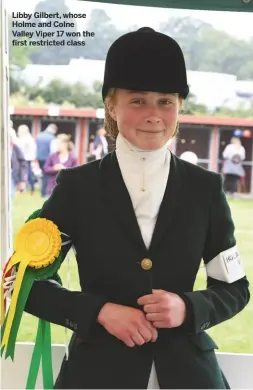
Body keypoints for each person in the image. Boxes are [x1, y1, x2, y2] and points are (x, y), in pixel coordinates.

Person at [21, 28, 249, 389]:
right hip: (97, 374)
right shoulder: (77, 187)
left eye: (166, 101)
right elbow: (23, 283)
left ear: (179, 106)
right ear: (112, 105)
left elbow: (235, 289)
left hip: (188, 374)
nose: (153, 115)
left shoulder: (205, 188)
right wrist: (98, 313)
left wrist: (189, 308)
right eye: (138, 101)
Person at [36, 123, 58, 197]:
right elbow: (53, 151)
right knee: (47, 176)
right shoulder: (52, 138)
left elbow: (36, 147)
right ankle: (45, 192)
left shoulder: (39, 136)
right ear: (54, 130)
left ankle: (42, 192)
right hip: (48, 159)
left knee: (43, 175)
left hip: (39, 158)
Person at [16, 124, 37, 195]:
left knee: (24, 174)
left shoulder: (24, 139)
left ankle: (23, 189)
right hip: (28, 158)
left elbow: (20, 149)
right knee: (29, 174)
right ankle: (32, 189)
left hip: (24, 158)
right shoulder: (30, 138)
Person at [9, 127, 27, 200]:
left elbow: (23, 164)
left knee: (10, 197)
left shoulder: (16, 148)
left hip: (12, 176)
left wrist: (22, 180)